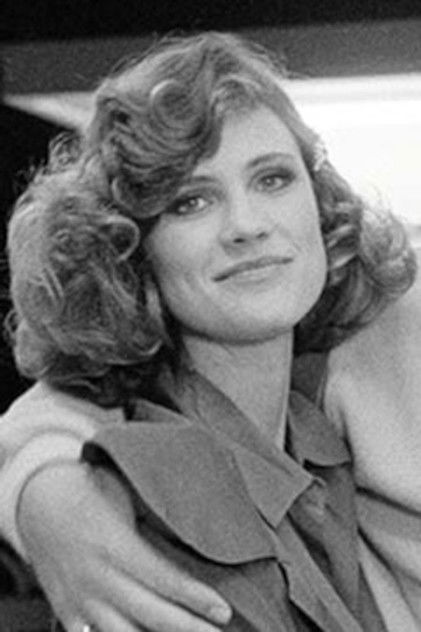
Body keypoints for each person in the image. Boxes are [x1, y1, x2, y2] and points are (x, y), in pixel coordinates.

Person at [0, 31, 418, 632]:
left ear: (320, 204)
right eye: (190, 201)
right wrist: (37, 484)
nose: (247, 225)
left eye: (272, 179)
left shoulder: (317, 441)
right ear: (127, 250)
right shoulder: (146, 491)